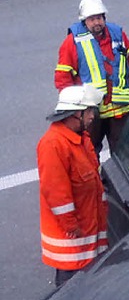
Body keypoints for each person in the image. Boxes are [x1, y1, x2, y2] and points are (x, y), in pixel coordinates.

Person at [37, 85, 108, 287]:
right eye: (90, 111)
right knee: (70, 294)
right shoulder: (53, 145)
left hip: (86, 236)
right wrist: (72, 226)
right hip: (73, 243)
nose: (93, 116)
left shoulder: (81, 139)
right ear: (76, 113)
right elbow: (56, 193)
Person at [55, 0, 129, 154]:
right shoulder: (72, 42)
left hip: (120, 107)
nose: (97, 22)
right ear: (84, 21)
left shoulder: (118, 34)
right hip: (91, 111)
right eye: (92, 19)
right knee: (90, 152)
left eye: (99, 18)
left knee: (126, 151)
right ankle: (95, 179)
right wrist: (72, 106)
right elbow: (63, 77)